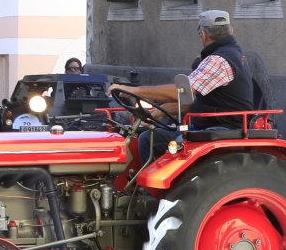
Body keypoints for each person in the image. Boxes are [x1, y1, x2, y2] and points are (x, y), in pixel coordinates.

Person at [108, 10, 257, 165]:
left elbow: (183, 91)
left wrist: (135, 90)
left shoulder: (218, 60)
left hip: (223, 128)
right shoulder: (231, 55)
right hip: (217, 124)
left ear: (203, 34)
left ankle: (156, 180)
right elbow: (199, 100)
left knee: (179, 147)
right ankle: (144, 179)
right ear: (231, 30)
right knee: (149, 138)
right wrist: (161, 111)